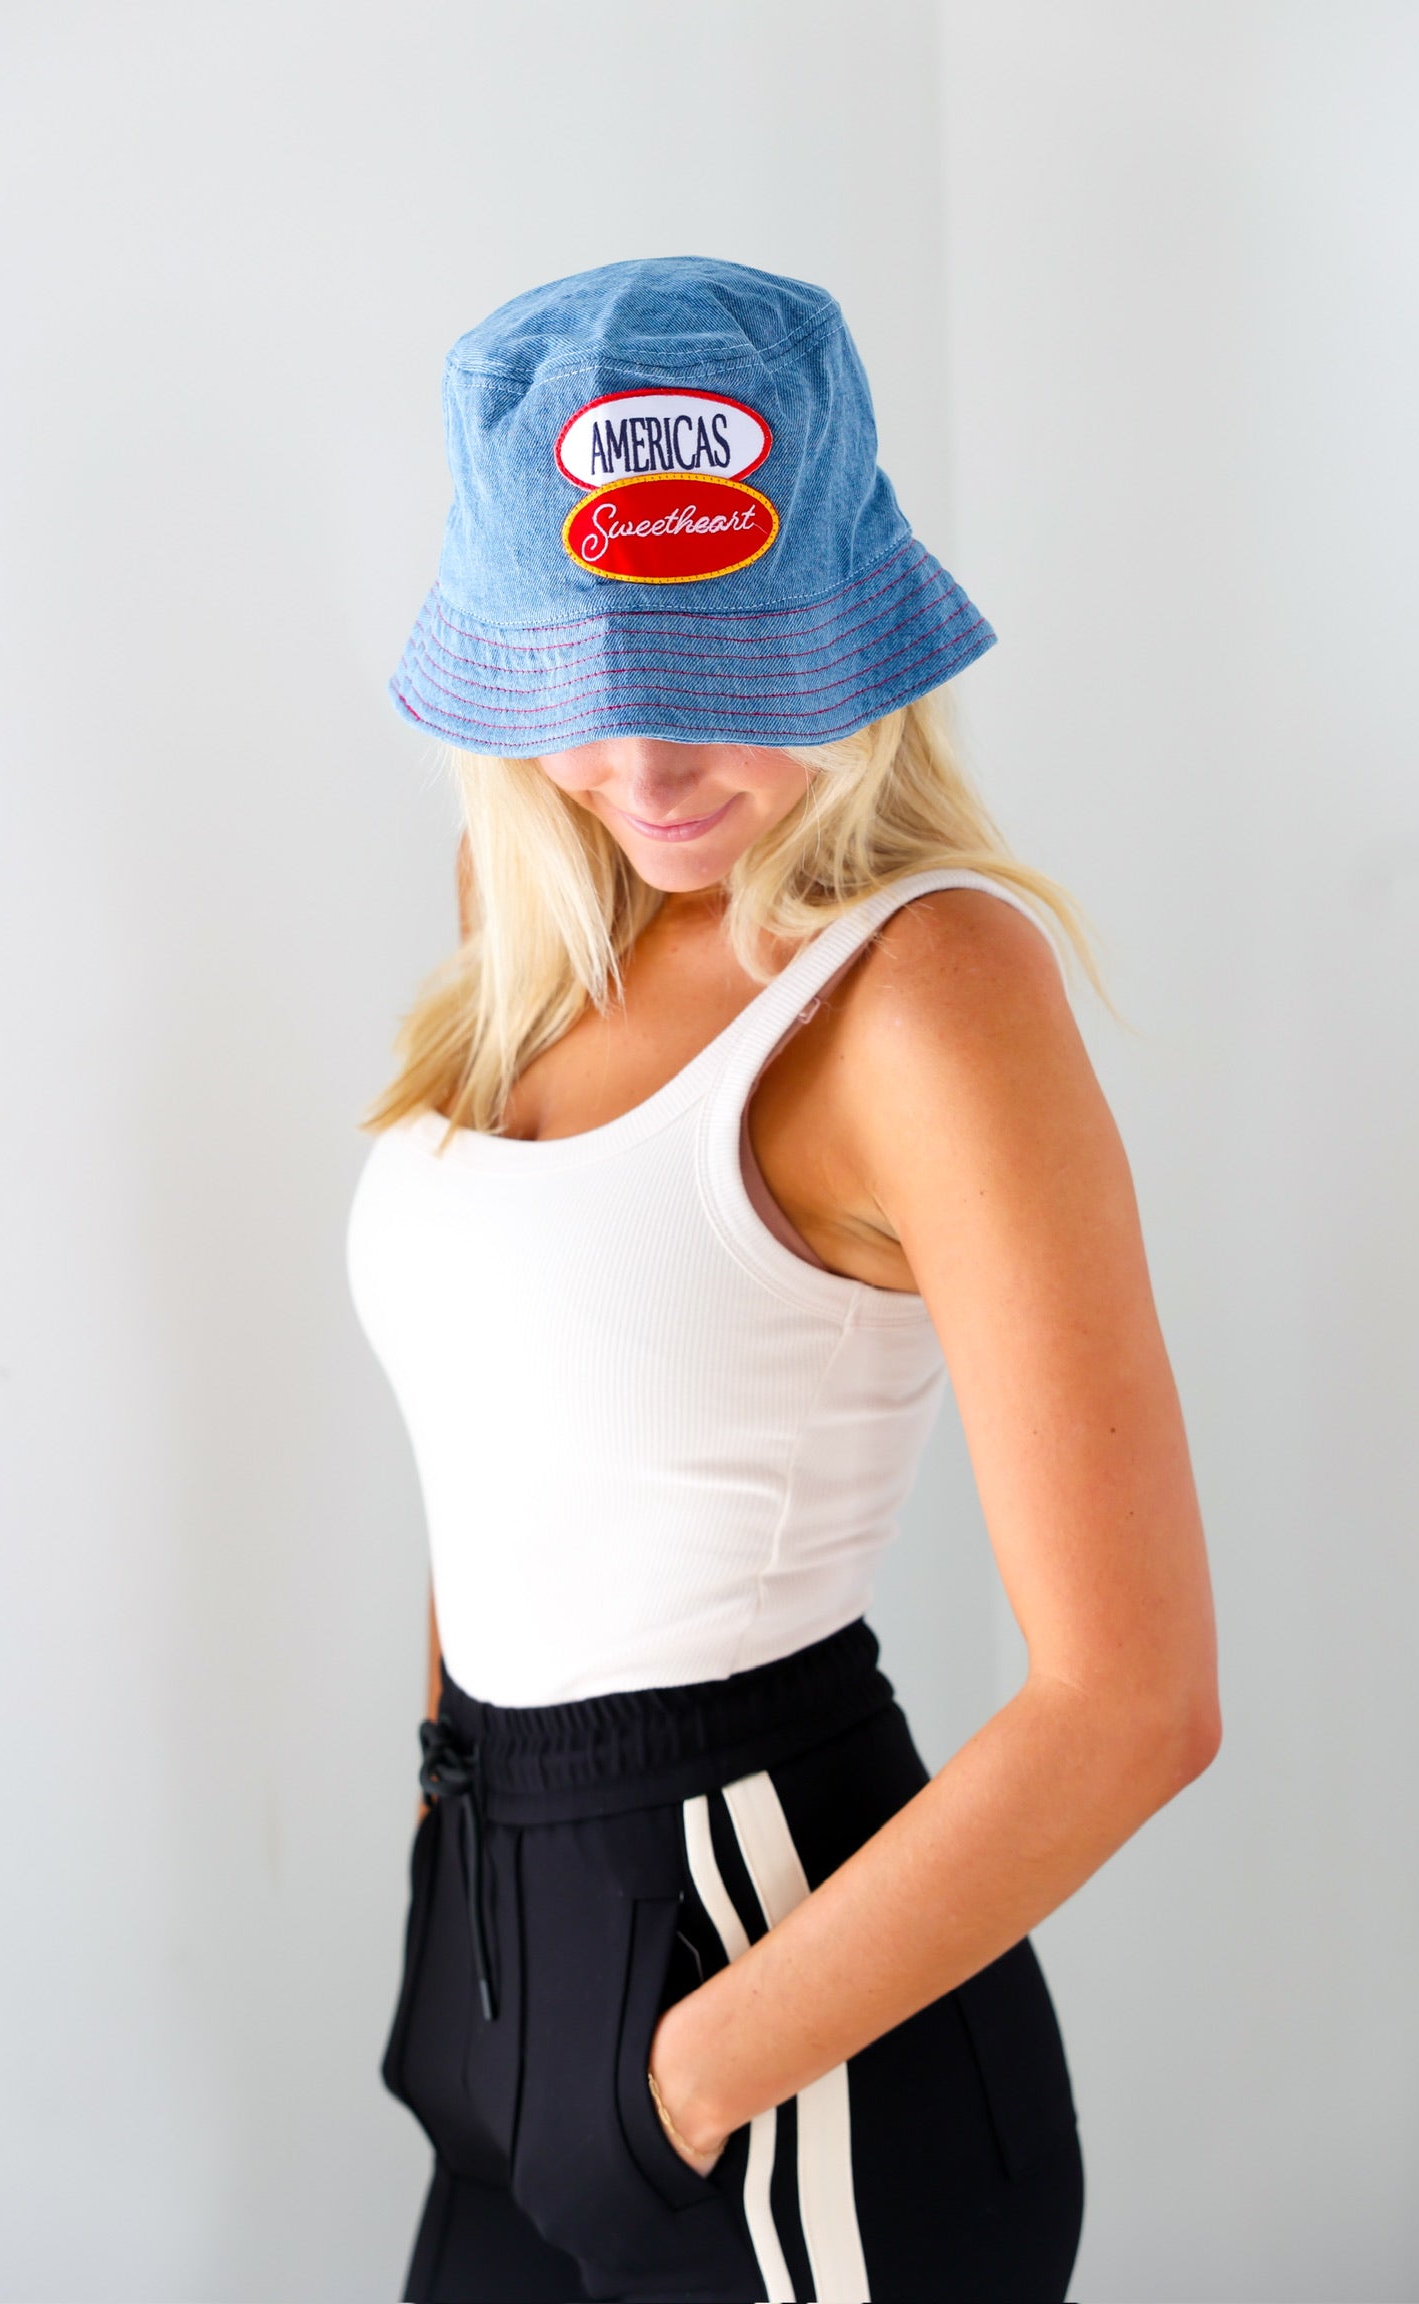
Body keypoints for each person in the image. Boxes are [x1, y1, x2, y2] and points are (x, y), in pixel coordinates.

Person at [346, 256, 1219, 2304]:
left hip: (768, 2019)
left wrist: (678, 2082)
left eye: (722, 670)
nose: (648, 764)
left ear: (846, 633)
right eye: (583, 684)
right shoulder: (531, 907)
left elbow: (1133, 1703)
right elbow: (503, 1417)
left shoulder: (927, 989)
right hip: (487, 1960)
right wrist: (448, 1827)